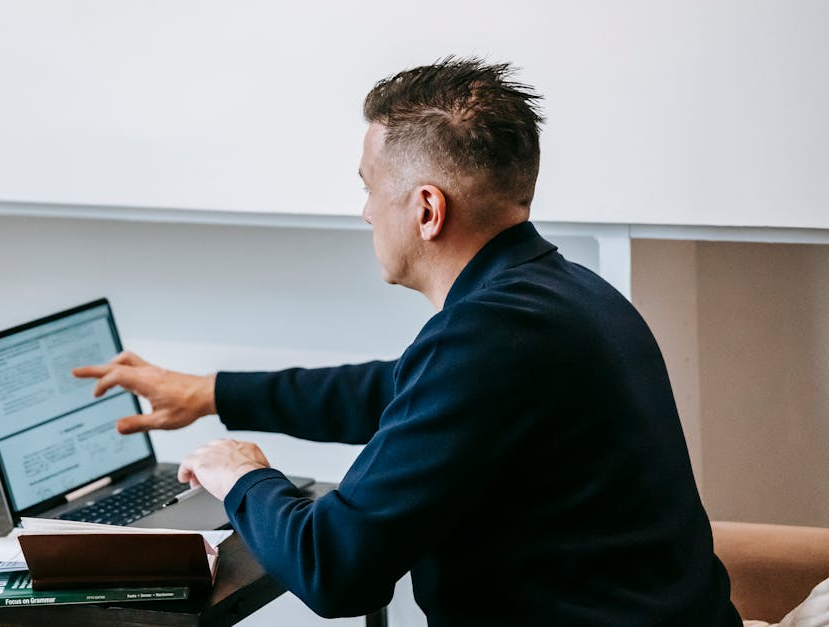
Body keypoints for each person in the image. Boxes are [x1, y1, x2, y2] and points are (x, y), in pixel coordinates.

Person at [73, 57, 741, 625]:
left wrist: (243, 475)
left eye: (369, 188)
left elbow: (334, 568)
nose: (365, 211)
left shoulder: (487, 339)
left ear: (427, 208)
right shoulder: (569, 298)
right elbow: (394, 389)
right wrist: (210, 393)